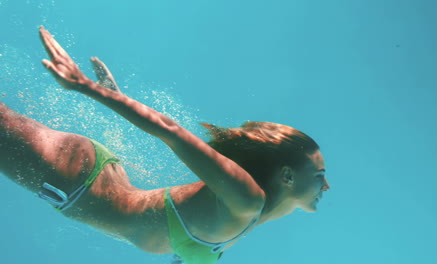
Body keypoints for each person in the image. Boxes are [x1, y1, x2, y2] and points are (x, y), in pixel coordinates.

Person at [0, 26, 330, 264]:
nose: (326, 185)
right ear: (287, 176)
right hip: (75, 180)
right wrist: (87, 87)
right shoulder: (245, 198)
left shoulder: (247, 218)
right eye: (318, 175)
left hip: (87, 179)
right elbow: (170, 131)